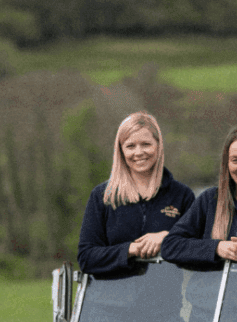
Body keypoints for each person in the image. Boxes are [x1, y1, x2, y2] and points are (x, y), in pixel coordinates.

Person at [77, 112, 195, 278]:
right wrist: (131, 249)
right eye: (130, 146)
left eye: (146, 144)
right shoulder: (102, 196)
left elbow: (199, 248)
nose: (139, 152)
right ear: (121, 151)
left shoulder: (182, 196)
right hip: (107, 302)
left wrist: (167, 237)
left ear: (159, 145)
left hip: (164, 301)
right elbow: (86, 258)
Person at [161, 126, 237, 267]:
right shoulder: (208, 201)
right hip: (207, 289)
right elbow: (169, 246)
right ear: (227, 164)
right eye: (235, 160)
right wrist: (217, 248)